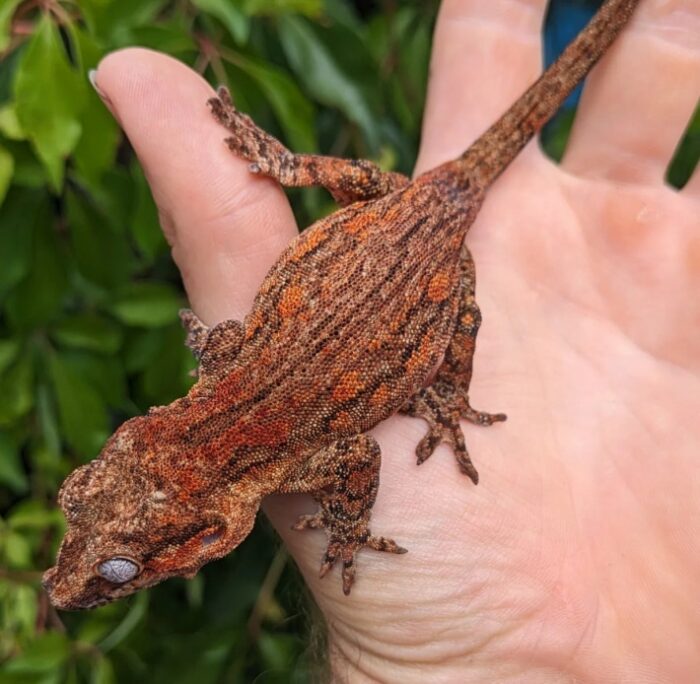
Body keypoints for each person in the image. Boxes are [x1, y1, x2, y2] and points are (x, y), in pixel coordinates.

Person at [90, 0, 699, 679]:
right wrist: (290, 174)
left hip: (422, 249)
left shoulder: (279, 455)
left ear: (207, 526)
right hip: (393, 218)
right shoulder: (230, 396)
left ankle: (447, 393)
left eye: (126, 568)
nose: (113, 579)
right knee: (435, 275)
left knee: (458, 307)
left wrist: (353, 519)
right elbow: (259, 367)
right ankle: (296, 171)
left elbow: (358, 458)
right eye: (120, 567)